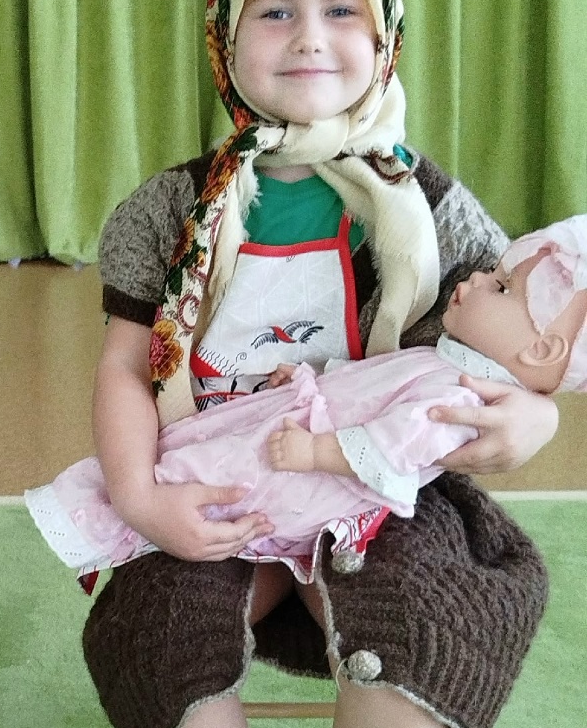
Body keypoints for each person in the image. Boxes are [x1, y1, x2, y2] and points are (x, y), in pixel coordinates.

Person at [77, 0, 555, 728]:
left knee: (427, 614)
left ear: (384, 38)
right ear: (223, 32)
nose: (308, 39)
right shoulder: (168, 207)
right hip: (221, 479)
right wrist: (140, 495)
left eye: (341, 11)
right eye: (274, 11)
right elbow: (123, 369)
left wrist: (530, 424)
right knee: (157, 614)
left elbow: (521, 353)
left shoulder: (424, 202)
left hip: (377, 487)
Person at [29, 217, 587, 583]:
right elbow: (371, 384)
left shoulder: (461, 391)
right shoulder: (449, 361)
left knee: (231, 474)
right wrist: (138, 500)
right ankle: (133, 507)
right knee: (205, 462)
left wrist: (316, 452)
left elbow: (398, 444)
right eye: (493, 275)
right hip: (297, 434)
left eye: (500, 286)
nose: (477, 278)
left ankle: (129, 511)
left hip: (318, 475)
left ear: (542, 348)